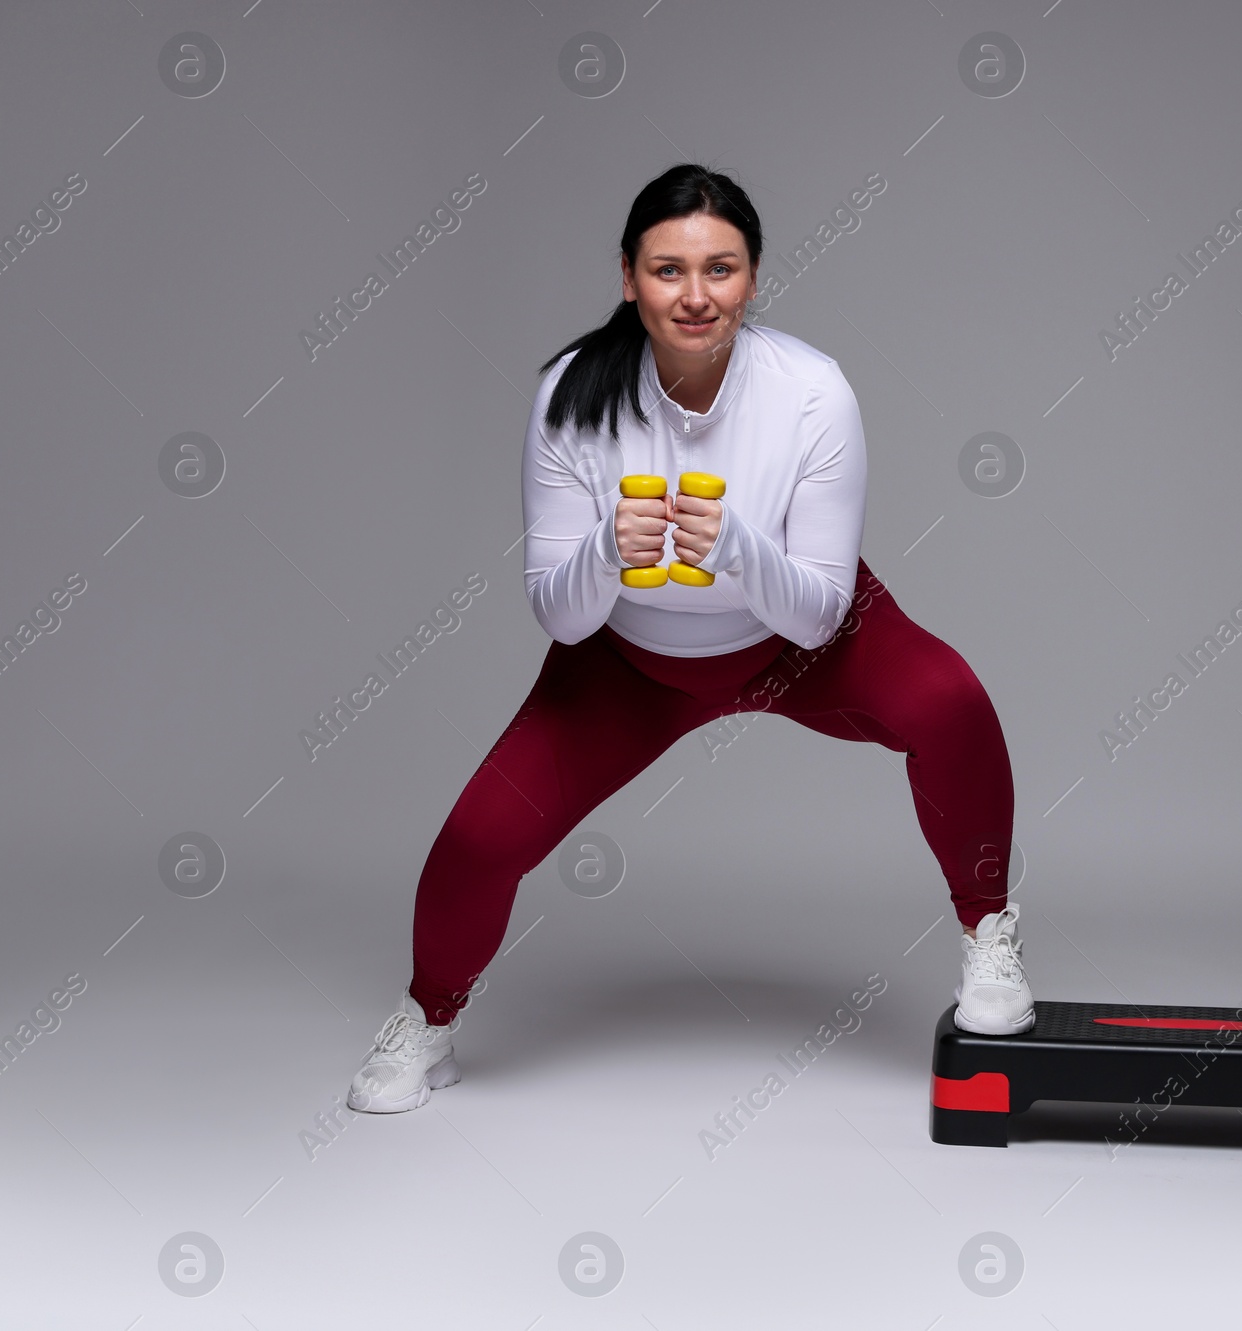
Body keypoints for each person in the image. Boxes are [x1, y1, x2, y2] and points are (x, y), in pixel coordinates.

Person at [347, 163, 1033, 1115]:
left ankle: (990, 935)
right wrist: (601, 556)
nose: (696, 295)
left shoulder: (812, 392)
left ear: (752, 278)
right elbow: (560, 614)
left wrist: (744, 553)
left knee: (952, 701)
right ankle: (427, 1018)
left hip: (800, 638)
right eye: (669, 270)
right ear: (628, 276)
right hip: (627, 662)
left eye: (722, 269)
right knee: (476, 839)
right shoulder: (567, 395)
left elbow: (821, 613)